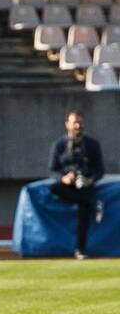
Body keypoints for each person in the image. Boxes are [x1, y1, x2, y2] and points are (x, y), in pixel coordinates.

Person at [49, 109, 104, 259]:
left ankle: (80, 249)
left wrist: (89, 179)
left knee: (83, 210)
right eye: (74, 123)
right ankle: (93, 203)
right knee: (55, 188)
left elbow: (99, 170)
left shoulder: (92, 145)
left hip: (85, 185)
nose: (78, 126)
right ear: (67, 124)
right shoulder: (59, 145)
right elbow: (52, 170)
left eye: (80, 122)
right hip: (67, 187)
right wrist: (64, 178)